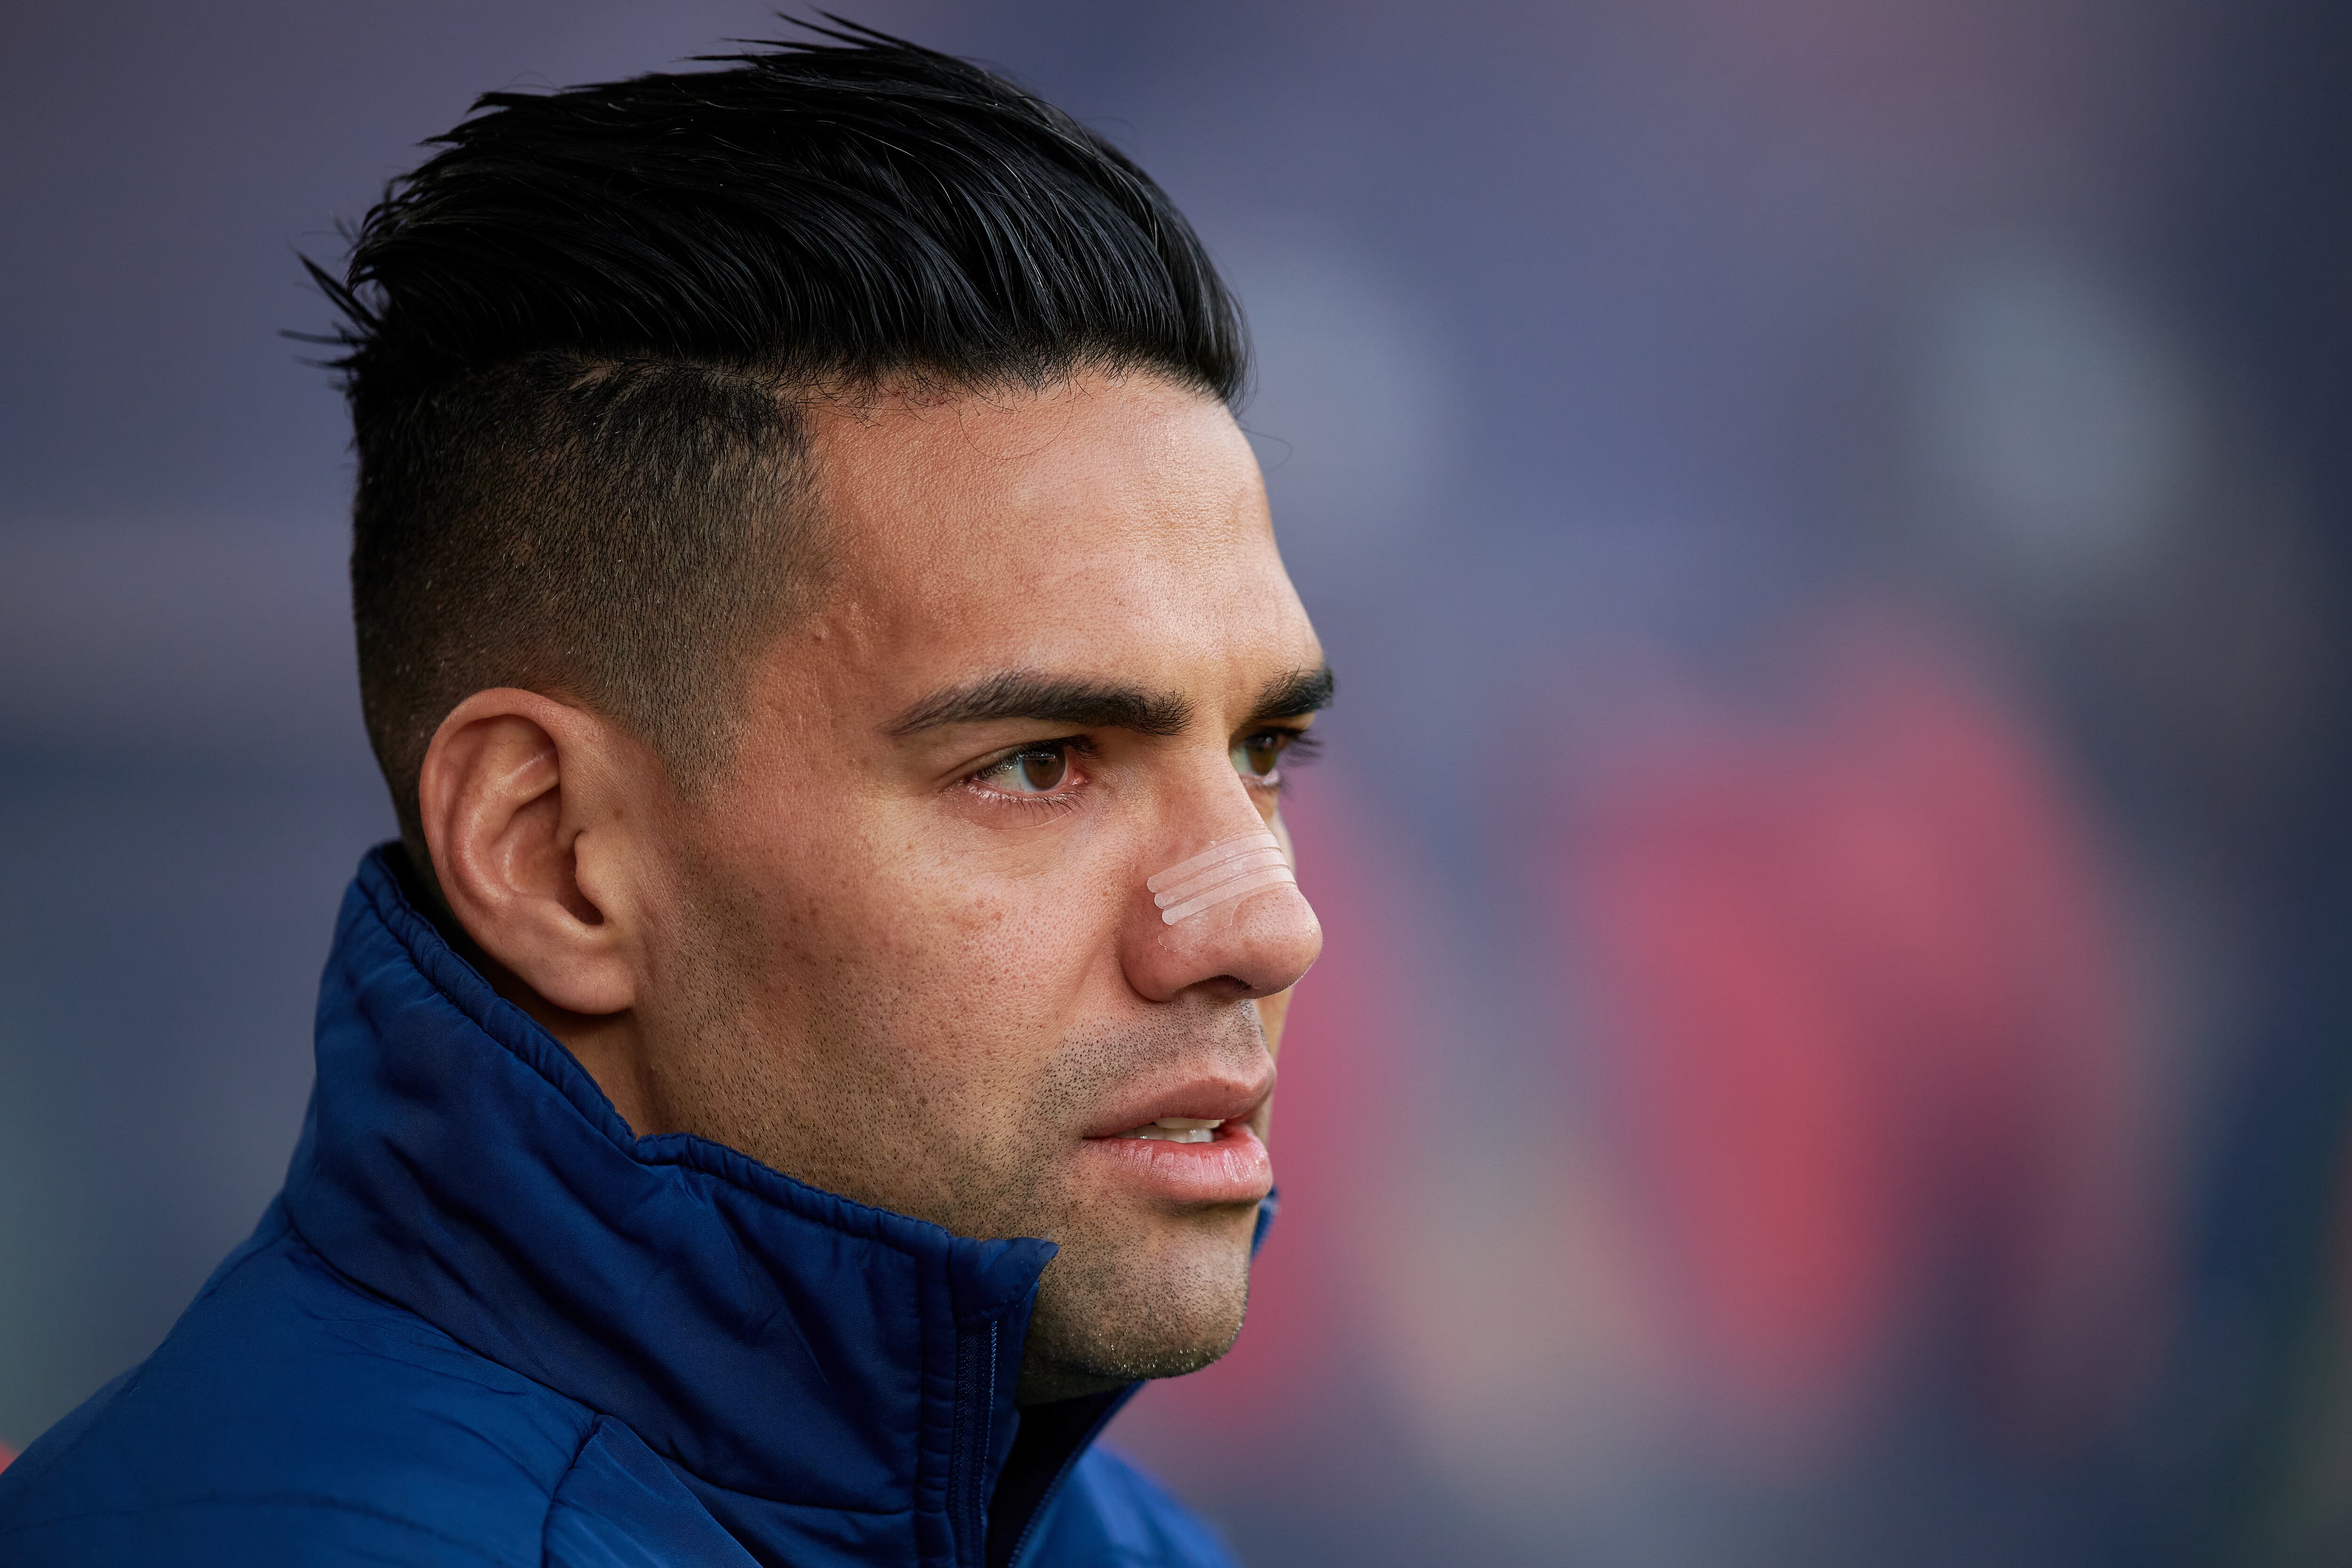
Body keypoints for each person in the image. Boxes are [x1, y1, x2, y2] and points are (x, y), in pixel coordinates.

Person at [0, 24, 1329, 1568]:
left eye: (1262, 750)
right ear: (556, 859)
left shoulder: (1093, 1533)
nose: (1265, 925)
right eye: (1038, 766)